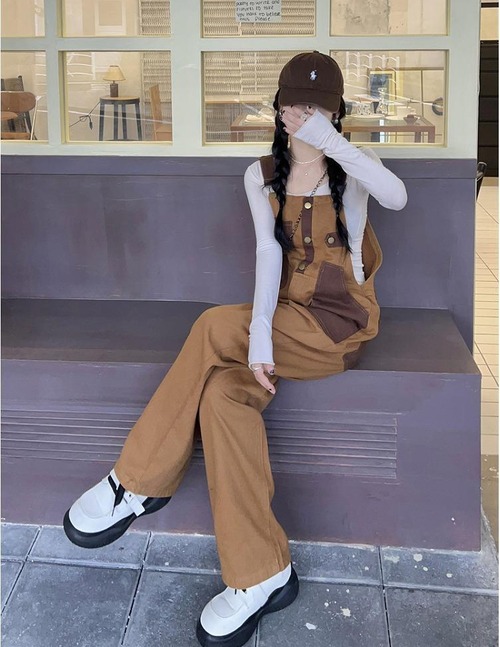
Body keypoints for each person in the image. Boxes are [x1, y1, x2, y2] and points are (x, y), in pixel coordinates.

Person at [63, 51, 407, 647]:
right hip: (285, 323)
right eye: (297, 104)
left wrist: (332, 143)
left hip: (338, 327)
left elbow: (397, 196)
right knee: (223, 396)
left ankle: (137, 480)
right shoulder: (260, 175)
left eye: (321, 107)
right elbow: (268, 255)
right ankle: (262, 573)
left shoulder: (353, 170)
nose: (306, 114)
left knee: (211, 326)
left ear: (337, 113)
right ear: (278, 108)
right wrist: (261, 337)